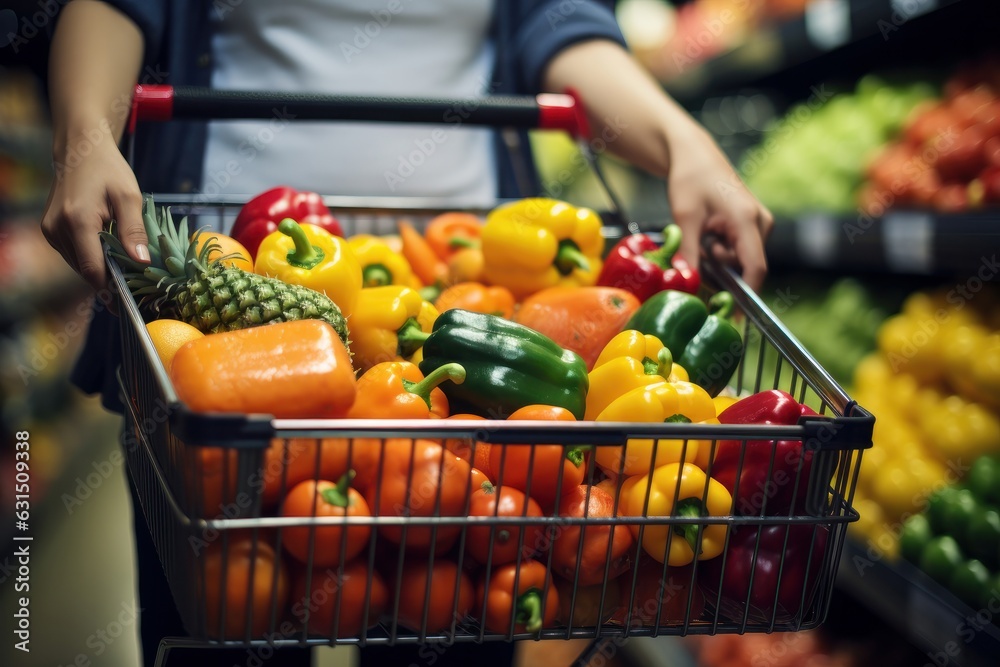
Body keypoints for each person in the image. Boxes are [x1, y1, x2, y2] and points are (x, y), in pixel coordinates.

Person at [42, 1, 774, 665]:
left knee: (444, 613)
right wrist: (85, 133)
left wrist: (685, 143)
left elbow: (564, 21)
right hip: (215, 287)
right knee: (227, 616)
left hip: (475, 298)